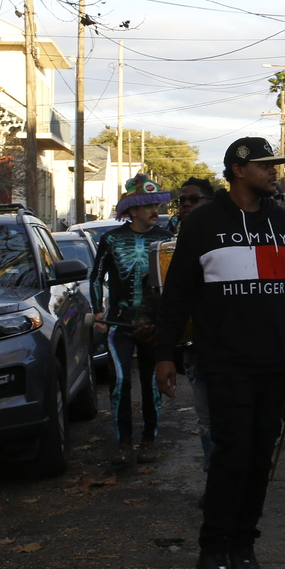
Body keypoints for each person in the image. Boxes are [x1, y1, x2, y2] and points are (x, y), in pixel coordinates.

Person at [154, 136, 285, 569]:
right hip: (223, 362)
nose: (274, 172)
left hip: (276, 364)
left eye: (274, 165)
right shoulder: (202, 224)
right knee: (230, 457)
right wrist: (164, 353)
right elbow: (178, 296)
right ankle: (214, 548)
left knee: (259, 460)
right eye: (265, 165)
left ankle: (245, 543)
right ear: (238, 170)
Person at [92, 175, 174, 465]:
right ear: (133, 210)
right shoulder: (111, 239)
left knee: (152, 382)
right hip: (120, 323)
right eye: (148, 205)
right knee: (119, 382)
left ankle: (149, 440)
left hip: (154, 324)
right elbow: (95, 278)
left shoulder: (165, 239)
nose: (155, 210)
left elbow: (173, 281)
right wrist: (99, 312)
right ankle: (123, 443)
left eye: (156, 204)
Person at [173, 177, 218, 473]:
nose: (186, 205)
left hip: (228, 345)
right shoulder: (171, 244)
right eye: (182, 201)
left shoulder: (223, 238)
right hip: (194, 346)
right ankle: (215, 481)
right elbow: (165, 293)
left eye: (194, 200)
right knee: (206, 420)